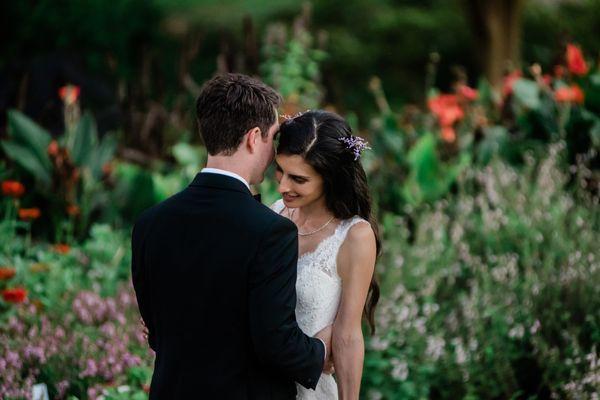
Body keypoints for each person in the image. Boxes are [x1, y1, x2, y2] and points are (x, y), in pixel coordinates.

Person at [131, 73, 332, 400]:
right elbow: (276, 344)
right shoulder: (271, 231)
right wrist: (321, 351)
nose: (273, 154)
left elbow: (157, 332)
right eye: (272, 137)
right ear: (254, 137)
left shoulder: (150, 223)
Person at [271, 110, 380, 399]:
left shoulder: (354, 236)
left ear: (329, 178)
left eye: (298, 179)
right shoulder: (271, 216)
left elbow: (347, 334)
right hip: (263, 384)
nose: (283, 186)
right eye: (280, 170)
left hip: (314, 389)